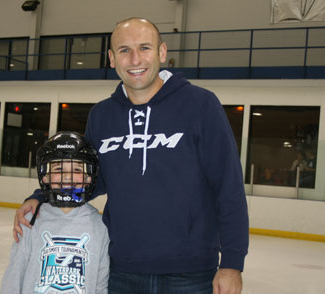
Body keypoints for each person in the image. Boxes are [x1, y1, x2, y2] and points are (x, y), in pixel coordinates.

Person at [14, 17, 249, 294]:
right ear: (112, 59)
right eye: (124, 50)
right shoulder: (102, 115)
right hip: (122, 270)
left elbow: (228, 187)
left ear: (162, 52)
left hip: (190, 273)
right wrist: (41, 196)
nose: (135, 59)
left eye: (145, 48)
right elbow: (92, 179)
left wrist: (232, 264)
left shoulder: (201, 105)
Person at [1, 131, 109, 294]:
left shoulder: (100, 227)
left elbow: (100, 284)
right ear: (45, 176)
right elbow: (14, 276)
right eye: (59, 168)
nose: (67, 176)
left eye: (77, 169)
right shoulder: (31, 220)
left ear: (89, 177)